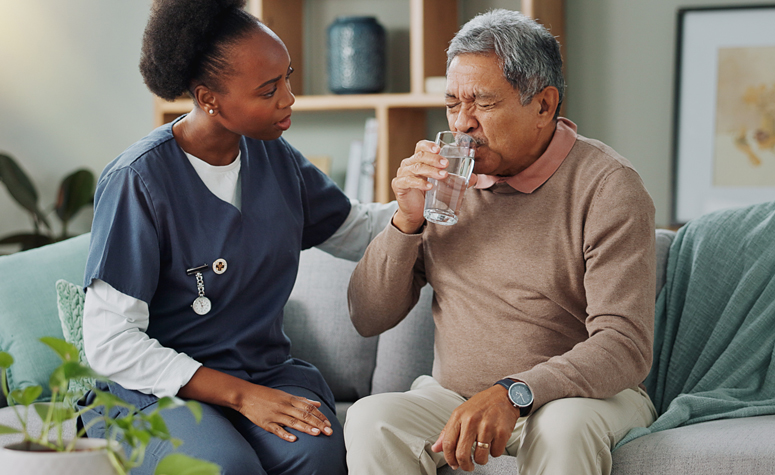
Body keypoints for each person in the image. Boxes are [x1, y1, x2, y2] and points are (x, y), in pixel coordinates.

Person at [78, 0, 395, 474]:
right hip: (155, 388)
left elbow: (356, 231)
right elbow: (109, 343)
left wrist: (424, 198)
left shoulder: (278, 160)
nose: (289, 99)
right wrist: (242, 397)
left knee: (319, 450)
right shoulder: (138, 180)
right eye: (269, 90)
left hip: (263, 370)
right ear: (210, 99)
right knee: (222, 465)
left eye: (287, 77)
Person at [344, 9, 658, 475]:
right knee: (371, 418)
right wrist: (405, 221)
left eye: (484, 104)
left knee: (563, 428)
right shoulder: (444, 184)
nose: (463, 123)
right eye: (453, 104)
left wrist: (513, 391)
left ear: (544, 105)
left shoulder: (607, 186)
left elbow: (625, 344)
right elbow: (367, 317)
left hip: (577, 400)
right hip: (452, 397)